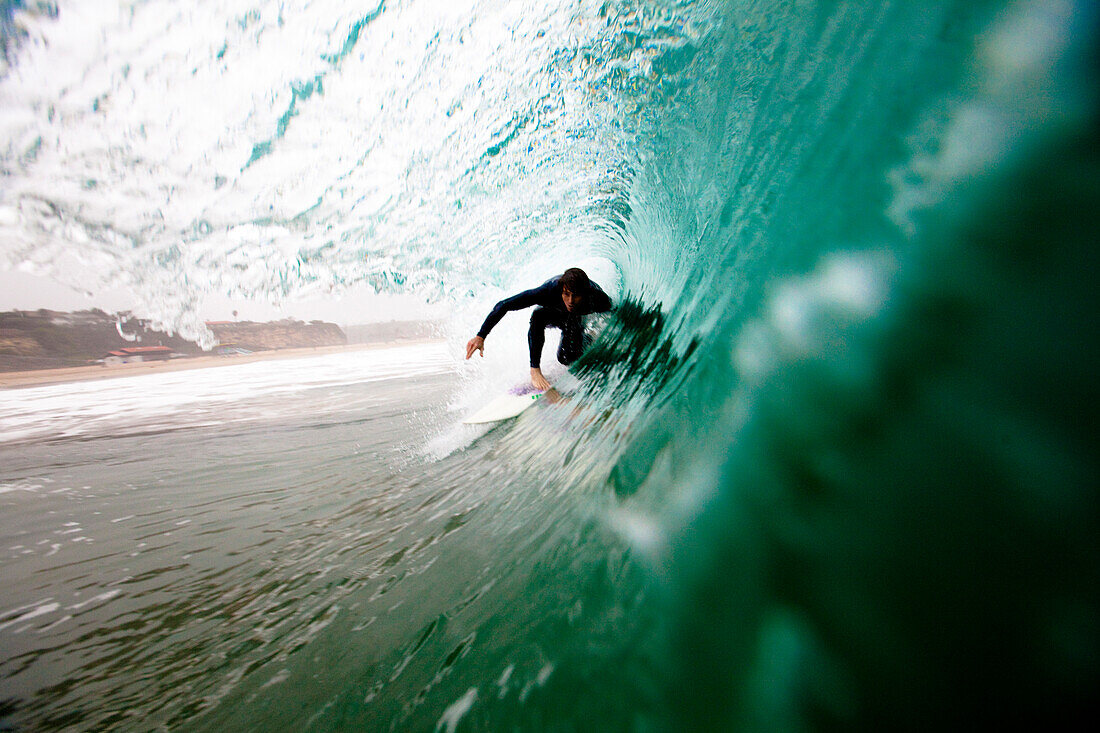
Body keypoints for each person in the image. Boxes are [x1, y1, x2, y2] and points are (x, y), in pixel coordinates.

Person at [465, 267, 612, 390]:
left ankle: (588, 337)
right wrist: (481, 336)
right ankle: (535, 370)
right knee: (538, 316)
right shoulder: (548, 291)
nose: (571, 301)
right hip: (553, 313)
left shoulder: (597, 298)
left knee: (566, 358)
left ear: (584, 294)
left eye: (576, 296)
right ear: (562, 290)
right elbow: (504, 305)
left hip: (575, 319)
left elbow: (613, 313)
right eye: (566, 294)